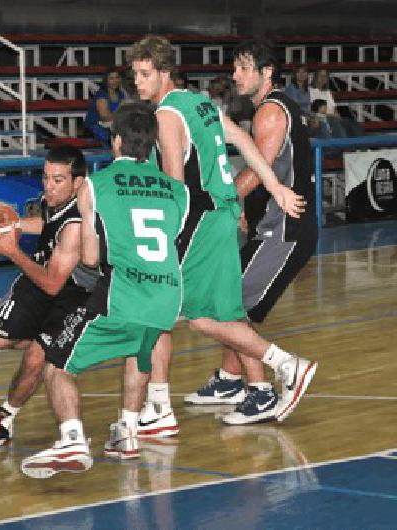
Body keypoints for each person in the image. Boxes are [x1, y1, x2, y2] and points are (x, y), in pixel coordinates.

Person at [128, 35, 316, 437]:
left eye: (145, 74)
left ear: (164, 73)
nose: (138, 83)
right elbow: (245, 141)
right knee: (228, 311)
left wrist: (156, 234)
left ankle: (283, 364)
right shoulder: (198, 101)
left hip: (201, 221)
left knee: (192, 315)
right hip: (225, 214)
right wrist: (276, 188)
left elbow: (175, 187)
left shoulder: (166, 114)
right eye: (135, 75)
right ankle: (261, 387)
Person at [19, 102, 189, 478]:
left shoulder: (96, 184)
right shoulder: (178, 191)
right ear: (153, 143)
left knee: (57, 365)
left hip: (122, 294)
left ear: (116, 141)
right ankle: (126, 432)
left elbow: (93, 259)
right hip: (167, 298)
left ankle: (72, 439)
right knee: (139, 352)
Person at [184, 39, 319, 425]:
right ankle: (230, 378)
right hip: (273, 228)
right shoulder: (268, 109)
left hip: (285, 231)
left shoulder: (271, 113)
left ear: (266, 72)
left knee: (225, 304)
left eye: (244, 68)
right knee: (234, 304)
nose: (235, 75)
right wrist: (243, 206)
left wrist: (220, 203)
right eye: (235, 67)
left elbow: (259, 169)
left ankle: (262, 391)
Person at [0, 145, 96, 447]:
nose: (48, 186)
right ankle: (60, 345)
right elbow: (46, 223)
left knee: (35, 358)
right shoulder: (51, 201)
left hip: (71, 291)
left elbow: (55, 284)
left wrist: (12, 250)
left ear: (77, 183)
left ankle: (5, 415)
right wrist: (11, 225)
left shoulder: (77, 223)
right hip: (42, 273)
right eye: (45, 178)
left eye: (57, 180)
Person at [309, 68, 364, 138]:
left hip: (334, 117)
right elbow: (314, 110)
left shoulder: (327, 92)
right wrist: (332, 116)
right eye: (321, 75)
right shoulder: (310, 91)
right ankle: (346, 147)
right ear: (316, 77)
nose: (323, 78)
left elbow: (334, 109)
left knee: (354, 124)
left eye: (325, 76)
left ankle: (362, 147)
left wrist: (338, 116)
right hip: (322, 118)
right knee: (337, 125)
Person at [85, 68, 130, 148]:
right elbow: (105, 117)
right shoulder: (101, 95)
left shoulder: (121, 94)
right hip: (96, 129)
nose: (115, 81)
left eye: (117, 77)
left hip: (112, 126)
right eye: (111, 78)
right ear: (106, 80)